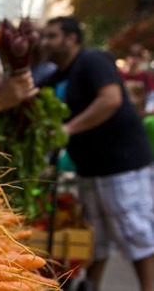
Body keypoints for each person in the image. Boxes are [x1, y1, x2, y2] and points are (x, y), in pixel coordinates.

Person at [39, 16, 154, 291]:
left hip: (121, 164)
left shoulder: (92, 60)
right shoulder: (58, 76)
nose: (45, 42)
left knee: (136, 233)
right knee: (99, 237)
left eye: (51, 36)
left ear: (71, 38)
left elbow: (111, 99)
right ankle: (92, 285)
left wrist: (68, 129)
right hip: (91, 168)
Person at [119, 43, 154, 117]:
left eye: (137, 57)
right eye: (132, 56)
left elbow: (151, 96)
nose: (134, 60)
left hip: (141, 114)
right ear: (127, 57)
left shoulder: (146, 76)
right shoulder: (118, 75)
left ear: (141, 59)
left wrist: (148, 110)